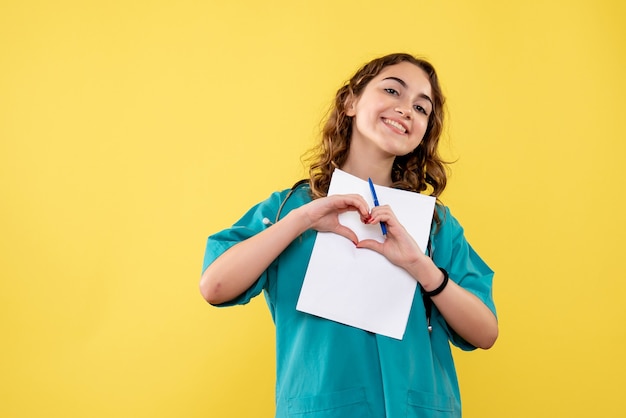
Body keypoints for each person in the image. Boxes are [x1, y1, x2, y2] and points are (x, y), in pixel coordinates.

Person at [200, 53, 498, 417]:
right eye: (393, 90)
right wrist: (302, 219)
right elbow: (214, 287)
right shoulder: (286, 209)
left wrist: (421, 266)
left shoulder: (434, 224)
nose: (407, 110)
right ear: (350, 101)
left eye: (422, 108)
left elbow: (485, 333)